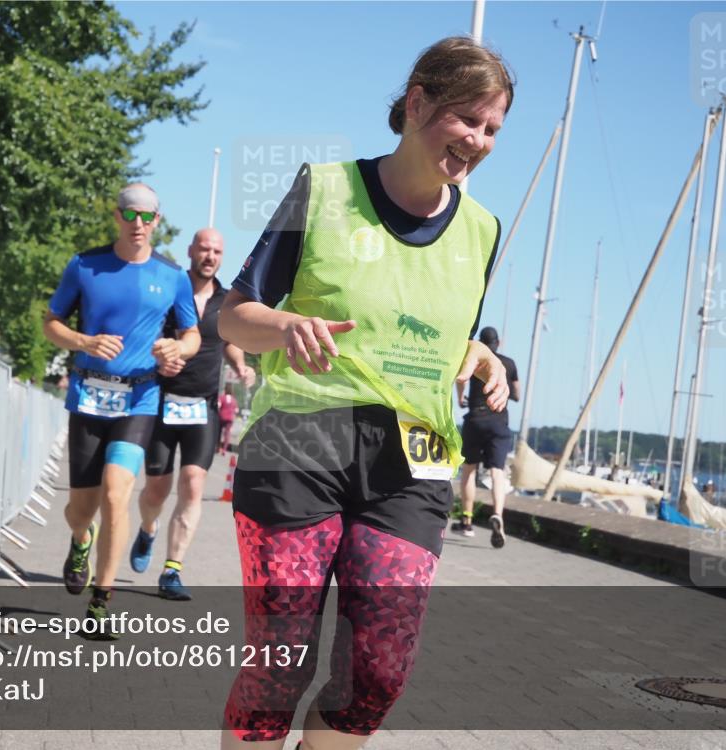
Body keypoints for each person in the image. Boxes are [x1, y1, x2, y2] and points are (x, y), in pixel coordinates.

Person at [218, 36, 513, 750]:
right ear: (417, 104)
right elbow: (232, 314)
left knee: (377, 674)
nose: (477, 140)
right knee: (279, 665)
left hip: (412, 466)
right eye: (467, 119)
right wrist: (286, 324)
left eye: (493, 129)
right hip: (300, 444)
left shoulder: (482, 230)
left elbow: (440, 333)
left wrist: (480, 357)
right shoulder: (324, 189)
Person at [42, 183, 200, 639]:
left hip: (140, 398)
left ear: (157, 220)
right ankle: (80, 539)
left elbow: (191, 336)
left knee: (116, 494)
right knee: (80, 508)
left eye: (147, 216)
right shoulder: (85, 265)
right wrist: (84, 341)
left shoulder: (172, 276)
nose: (138, 224)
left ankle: (101, 601)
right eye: (130, 215)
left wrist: (178, 349)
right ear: (117, 216)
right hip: (89, 398)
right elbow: (51, 323)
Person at [129, 228, 256, 601]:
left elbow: (229, 342)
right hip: (161, 401)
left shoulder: (225, 299)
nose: (210, 256)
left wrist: (242, 366)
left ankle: (172, 570)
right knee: (156, 489)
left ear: (222, 256)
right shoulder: (170, 290)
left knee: (194, 484)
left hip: (203, 406)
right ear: (191, 251)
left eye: (217, 250)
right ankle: (149, 528)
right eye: (204, 248)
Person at [455, 325, 520, 547]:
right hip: (498, 421)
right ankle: (498, 514)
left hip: (475, 418)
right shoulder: (508, 363)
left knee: (469, 470)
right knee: (497, 472)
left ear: (482, 342)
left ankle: (467, 520)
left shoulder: (477, 356)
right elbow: (517, 393)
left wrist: (460, 398)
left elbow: (461, 378)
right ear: (498, 343)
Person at [218, 384, 239, 455]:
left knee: (219, 432)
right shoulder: (234, 400)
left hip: (221, 417)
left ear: (225, 390)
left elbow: (218, 405)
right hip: (230, 418)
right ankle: (224, 449)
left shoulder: (222, 397)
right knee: (227, 433)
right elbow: (236, 410)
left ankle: (217, 448)